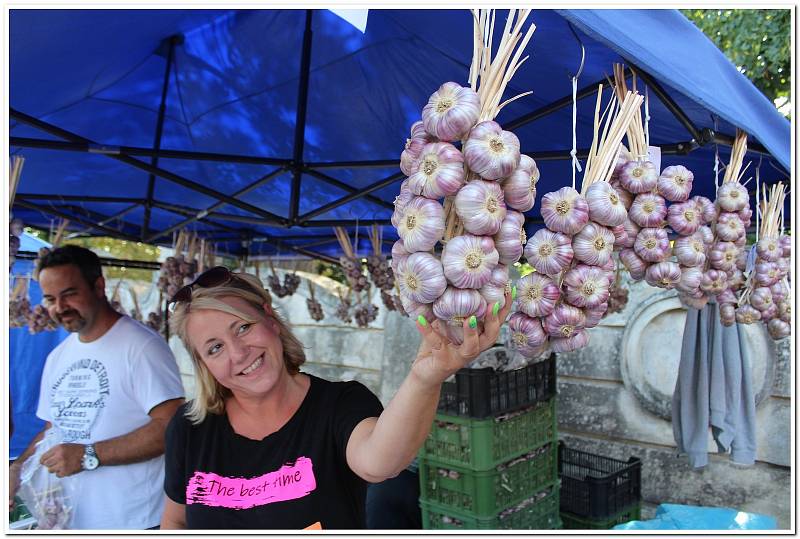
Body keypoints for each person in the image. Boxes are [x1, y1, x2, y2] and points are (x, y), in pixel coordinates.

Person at [160, 266, 513, 530]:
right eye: (215, 348)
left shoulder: (339, 404)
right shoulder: (191, 428)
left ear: (270, 319)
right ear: (203, 363)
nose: (238, 353)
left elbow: (379, 463)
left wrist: (426, 377)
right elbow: (175, 523)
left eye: (243, 327)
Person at [8, 245, 185, 529]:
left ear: (99, 286)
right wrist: (19, 467)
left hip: (135, 522)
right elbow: (53, 429)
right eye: (50, 299)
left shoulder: (142, 347)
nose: (59, 307)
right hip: (74, 521)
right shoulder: (58, 357)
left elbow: (173, 426)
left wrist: (89, 454)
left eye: (69, 294)